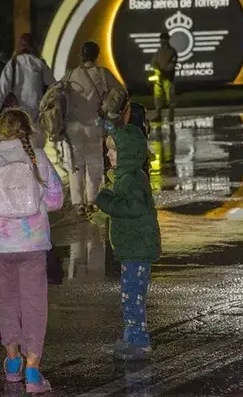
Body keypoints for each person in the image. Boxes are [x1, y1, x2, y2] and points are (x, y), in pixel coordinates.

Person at [0, 109, 64, 394]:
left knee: (7, 302)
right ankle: (33, 371)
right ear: (27, 131)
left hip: (0, 245)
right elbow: (56, 199)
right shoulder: (38, 158)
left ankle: (11, 362)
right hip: (33, 244)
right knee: (34, 305)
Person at [95, 124, 161, 361]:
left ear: (128, 153)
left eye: (113, 151)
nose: (108, 154)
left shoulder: (132, 179)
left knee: (133, 295)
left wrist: (106, 200)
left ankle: (139, 341)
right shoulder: (126, 176)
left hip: (137, 249)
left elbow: (133, 207)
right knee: (128, 296)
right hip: (132, 247)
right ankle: (131, 338)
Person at [62, 41, 125, 216]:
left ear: (81, 55)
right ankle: (92, 200)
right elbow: (120, 92)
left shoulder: (70, 75)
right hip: (95, 126)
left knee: (75, 165)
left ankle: (78, 203)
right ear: (97, 55)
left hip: (73, 127)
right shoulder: (102, 74)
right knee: (94, 163)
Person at [0, 33, 55, 148]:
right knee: (36, 147)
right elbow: (53, 86)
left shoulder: (12, 64)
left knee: (19, 145)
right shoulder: (40, 63)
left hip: (17, 114)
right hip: (37, 114)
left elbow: (3, 89)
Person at [151, 33, 178, 116]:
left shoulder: (172, 51)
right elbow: (153, 63)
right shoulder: (158, 51)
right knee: (158, 96)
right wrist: (157, 70)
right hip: (159, 78)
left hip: (168, 77)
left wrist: (165, 71)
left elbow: (172, 63)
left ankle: (171, 115)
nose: (162, 41)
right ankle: (158, 114)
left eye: (164, 39)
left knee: (170, 96)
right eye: (161, 39)